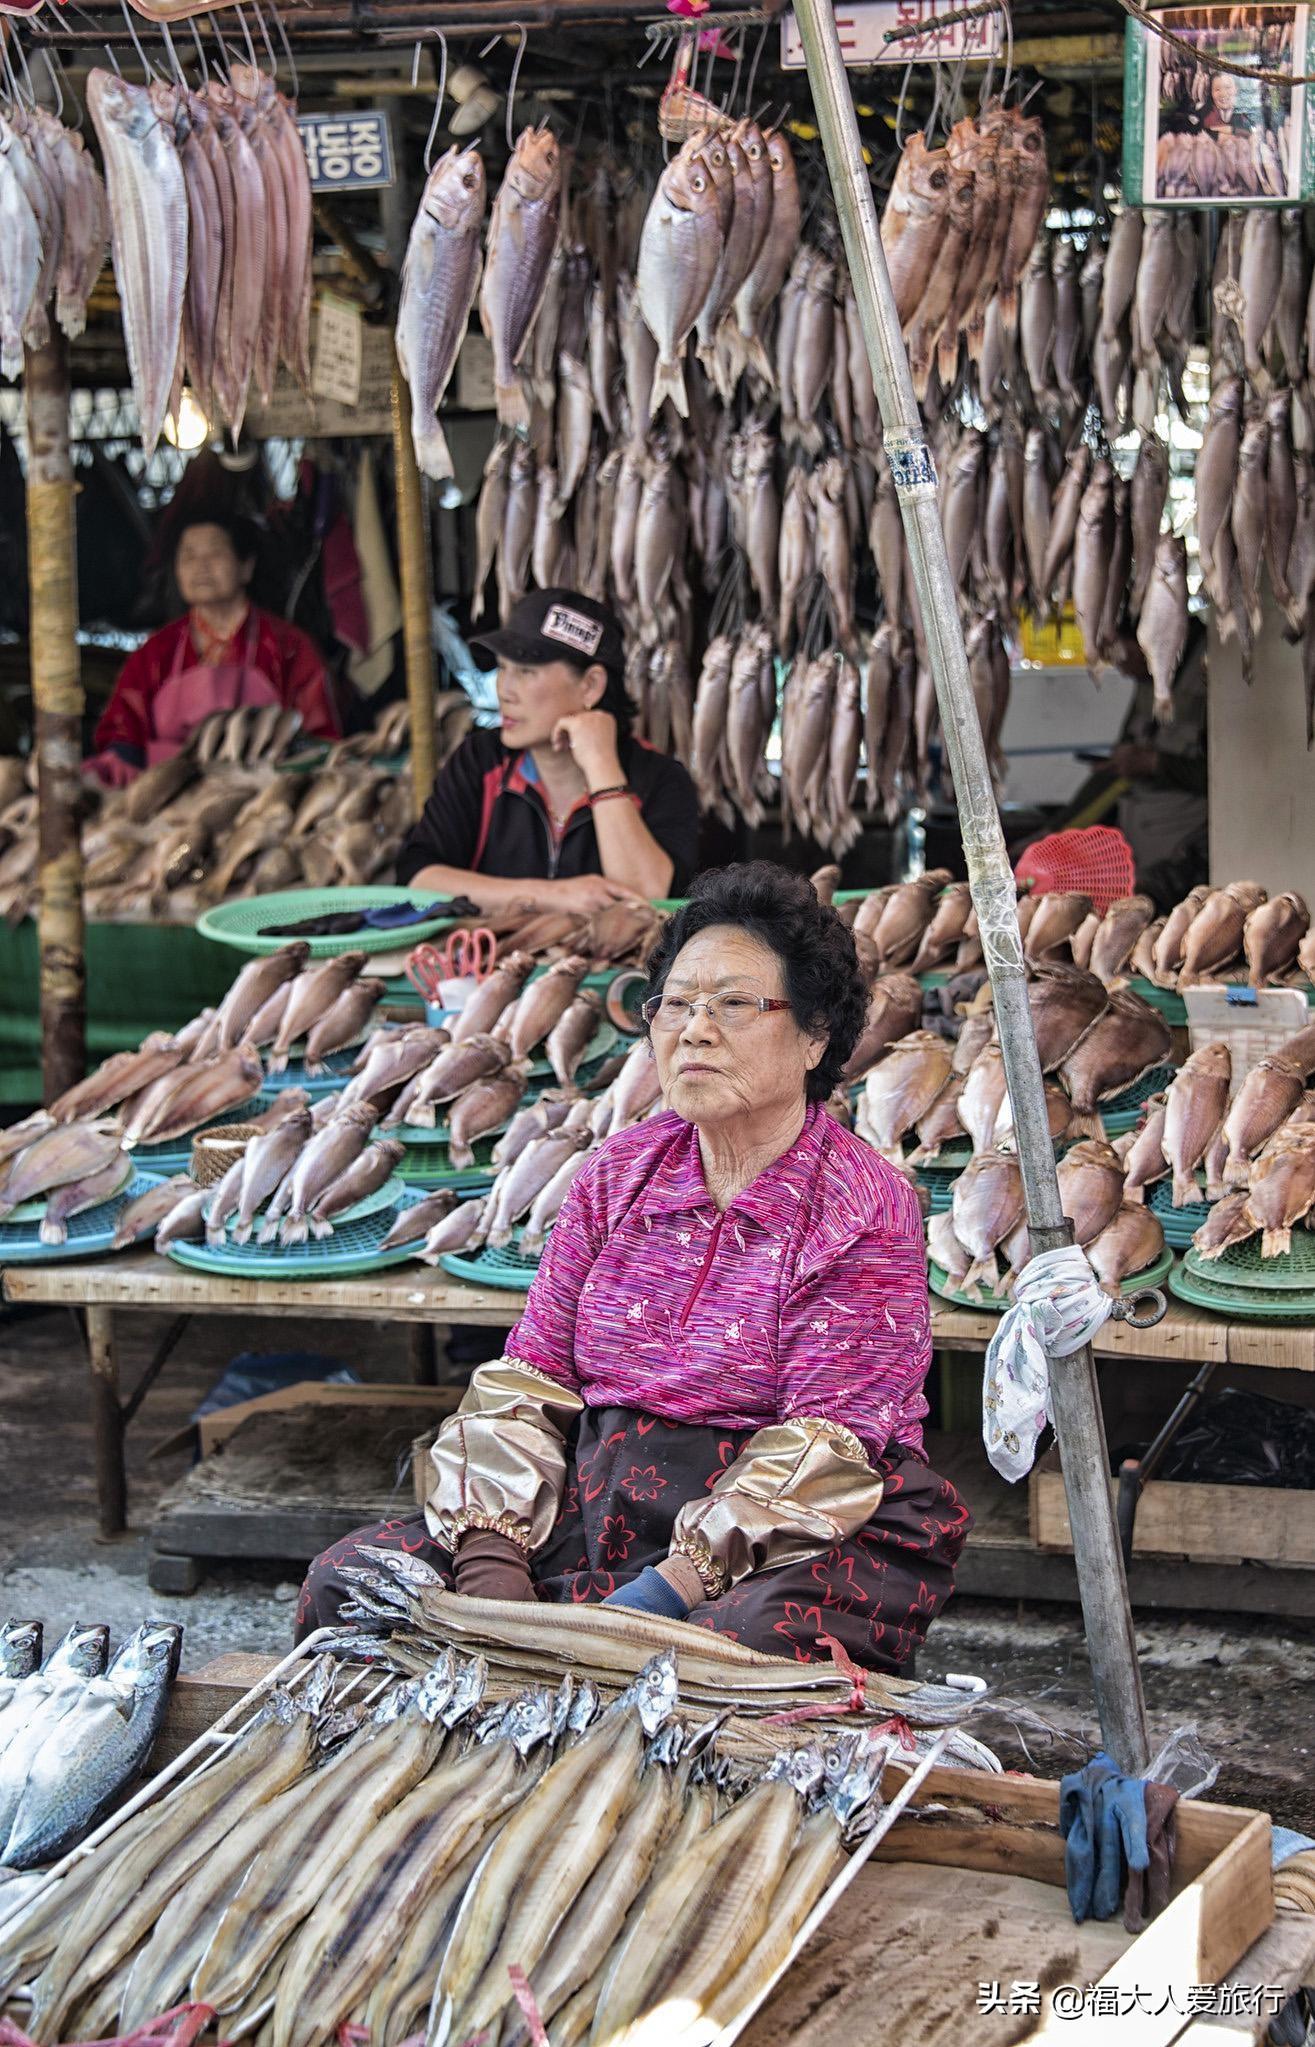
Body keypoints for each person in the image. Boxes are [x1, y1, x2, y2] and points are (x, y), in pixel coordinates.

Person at [298, 863, 972, 1675]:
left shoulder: (863, 1203)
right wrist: (491, 1566)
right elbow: (531, 1374)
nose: (693, 1029)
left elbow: (830, 1443)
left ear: (816, 1033)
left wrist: (657, 1599)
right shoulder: (617, 1173)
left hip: (786, 1521)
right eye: (677, 1004)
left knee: (721, 1660)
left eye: (733, 1004)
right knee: (354, 1586)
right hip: (592, 1496)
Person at [395, 588, 699, 916]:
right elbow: (418, 879)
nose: (504, 690)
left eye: (526, 672)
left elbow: (649, 900)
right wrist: (553, 895)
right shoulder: (480, 760)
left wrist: (601, 765)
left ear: (590, 686)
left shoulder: (661, 778)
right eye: (502, 668)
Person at [88, 513, 338, 784]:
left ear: (246, 567)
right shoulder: (156, 652)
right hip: (168, 798)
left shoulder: (290, 647)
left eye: (215, 554)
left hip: (262, 798)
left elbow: (320, 740)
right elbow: (123, 735)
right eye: (189, 557)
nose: (201, 567)